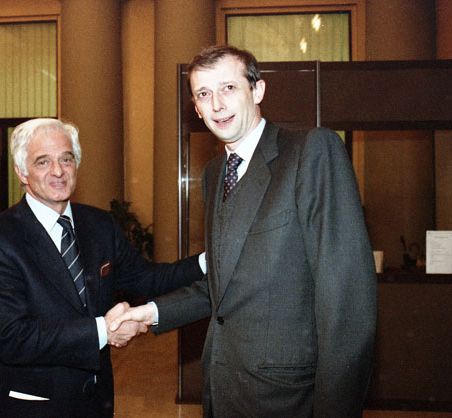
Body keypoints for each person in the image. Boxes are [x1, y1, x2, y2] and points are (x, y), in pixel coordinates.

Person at [109, 45, 377, 417]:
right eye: (204, 94)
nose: (217, 104)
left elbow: (347, 299)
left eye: (229, 88)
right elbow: (223, 285)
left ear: (258, 90)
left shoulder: (310, 152)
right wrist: (148, 314)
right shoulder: (215, 173)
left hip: (288, 398)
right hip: (223, 391)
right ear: (196, 108)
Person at [0, 118, 205, 418]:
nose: (58, 171)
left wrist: (209, 261)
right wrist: (105, 330)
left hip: (95, 402)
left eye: (66, 159)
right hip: (29, 407)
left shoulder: (99, 224)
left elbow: (147, 279)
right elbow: (13, 337)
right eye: (43, 162)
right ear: (21, 172)